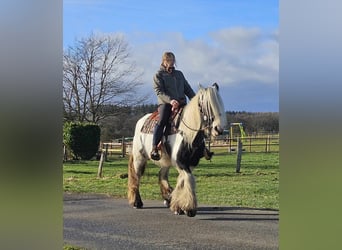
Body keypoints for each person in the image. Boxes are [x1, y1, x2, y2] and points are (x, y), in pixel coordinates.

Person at [150, 52, 213, 161]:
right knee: (162, 120)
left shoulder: (179, 74)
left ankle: (202, 147)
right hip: (166, 104)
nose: (171, 62)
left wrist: (195, 100)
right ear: (164, 61)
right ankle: (155, 147)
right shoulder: (158, 75)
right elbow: (159, 91)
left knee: (196, 120)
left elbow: (187, 88)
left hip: (182, 103)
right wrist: (171, 100)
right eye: (169, 60)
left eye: (173, 60)